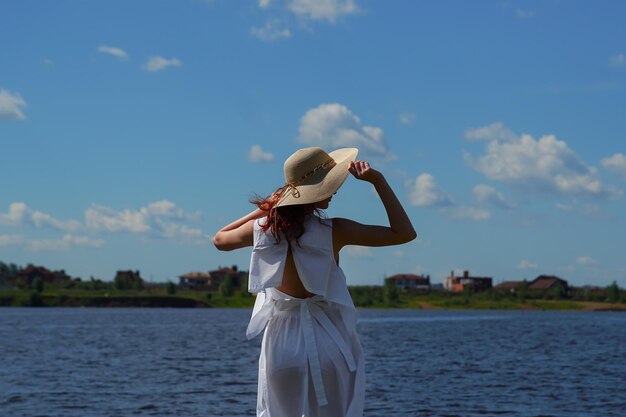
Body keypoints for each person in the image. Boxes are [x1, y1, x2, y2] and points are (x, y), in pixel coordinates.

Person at [213, 147, 416, 417]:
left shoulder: (262, 232)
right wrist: (378, 182)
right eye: (329, 185)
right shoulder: (335, 231)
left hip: (281, 345)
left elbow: (219, 239)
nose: (334, 191)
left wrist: (265, 210)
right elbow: (403, 233)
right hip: (327, 341)